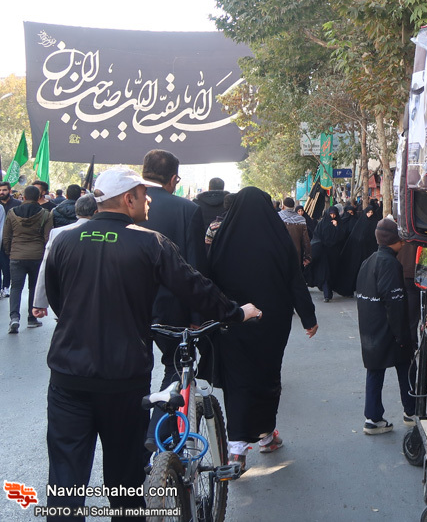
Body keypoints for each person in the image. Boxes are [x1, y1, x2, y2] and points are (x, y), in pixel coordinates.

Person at [42, 166, 259, 521]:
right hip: (123, 379)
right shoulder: (149, 242)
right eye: (144, 196)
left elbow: (57, 299)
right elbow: (195, 287)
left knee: (65, 480)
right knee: (125, 480)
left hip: (68, 377)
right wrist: (236, 313)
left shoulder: (65, 240)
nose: (150, 202)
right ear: (128, 199)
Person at [208, 187, 318, 467]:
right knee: (267, 376)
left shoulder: (223, 238)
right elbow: (295, 279)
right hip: (272, 323)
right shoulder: (277, 238)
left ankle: (237, 448)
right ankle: (266, 436)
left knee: (237, 381)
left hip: (233, 321)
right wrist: (308, 317)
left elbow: (209, 280)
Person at [140, 149, 209, 447]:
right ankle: (156, 434)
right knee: (176, 366)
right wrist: (197, 316)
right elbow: (194, 267)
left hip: (127, 307)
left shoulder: (123, 204)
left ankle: (138, 443)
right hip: (172, 309)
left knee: (135, 375)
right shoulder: (186, 209)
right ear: (173, 179)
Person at [355, 217, 415, 434]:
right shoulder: (390, 264)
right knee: (406, 367)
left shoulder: (368, 261)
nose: (404, 242)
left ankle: (373, 418)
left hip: (369, 328)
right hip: (388, 329)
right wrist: (402, 335)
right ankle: (411, 411)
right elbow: (394, 302)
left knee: (375, 370)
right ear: (395, 240)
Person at [33, 194, 98, 315]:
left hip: (66, 294)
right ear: (97, 211)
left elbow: (45, 268)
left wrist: (40, 303)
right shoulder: (105, 233)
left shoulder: (57, 232)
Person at [3, 184, 53, 332]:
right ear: (39, 197)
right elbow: (47, 238)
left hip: (16, 255)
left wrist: (10, 252)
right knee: (33, 287)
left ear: (23, 197)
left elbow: (6, 236)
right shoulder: (45, 214)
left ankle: (14, 318)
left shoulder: (12, 213)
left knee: (15, 287)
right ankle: (32, 318)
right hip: (37, 255)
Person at [334, 202, 378, 297]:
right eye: (368, 212)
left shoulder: (375, 223)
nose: (370, 214)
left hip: (370, 253)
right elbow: (355, 237)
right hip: (358, 253)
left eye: (371, 212)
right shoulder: (361, 223)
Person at [0, 181, 22, 299]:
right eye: (0, 190)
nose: (1, 192)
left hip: (11, 241)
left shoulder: (17, 204)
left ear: (9, 191)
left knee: (7, 266)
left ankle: (6, 286)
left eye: (4, 190)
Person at [278, 196, 311, 269]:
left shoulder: (277, 217)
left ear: (283, 206)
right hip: (296, 253)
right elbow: (306, 240)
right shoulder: (301, 219)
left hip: (280, 253)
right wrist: (307, 257)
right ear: (293, 207)